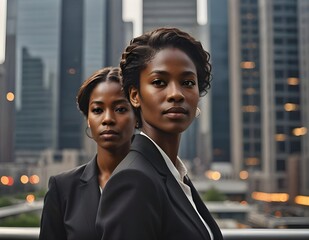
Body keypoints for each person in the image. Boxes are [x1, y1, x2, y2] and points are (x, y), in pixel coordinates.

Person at [95, 28, 223, 240]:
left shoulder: (174, 175)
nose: (176, 94)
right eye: (159, 82)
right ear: (135, 96)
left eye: (188, 83)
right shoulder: (134, 180)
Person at [39, 67, 136, 240]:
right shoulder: (62, 188)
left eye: (120, 109)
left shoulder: (159, 182)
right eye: (97, 110)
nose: (108, 119)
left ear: (137, 117)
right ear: (88, 120)